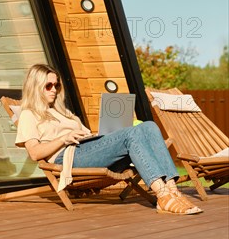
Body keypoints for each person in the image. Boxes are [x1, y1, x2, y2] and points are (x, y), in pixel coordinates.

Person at [15, 64, 203, 215]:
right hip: (68, 157)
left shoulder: (64, 113)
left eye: (56, 85)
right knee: (131, 134)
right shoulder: (29, 114)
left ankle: (171, 189)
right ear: (35, 87)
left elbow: (88, 136)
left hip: (87, 148)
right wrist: (64, 138)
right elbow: (34, 152)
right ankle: (162, 195)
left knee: (148, 126)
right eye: (48, 86)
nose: (54, 90)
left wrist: (104, 134)